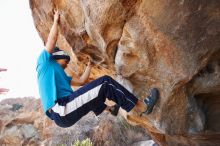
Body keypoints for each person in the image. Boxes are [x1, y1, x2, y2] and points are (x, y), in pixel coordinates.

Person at [36, 11, 159, 128]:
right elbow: (52, 39)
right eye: (66, 61)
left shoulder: (60, 76)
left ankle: (110, 109)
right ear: (56, 57)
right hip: (62, 109)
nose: (67, 65)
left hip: (64, 113)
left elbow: (81, 81)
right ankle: (143, 107)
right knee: (105, 83)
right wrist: (56, 20)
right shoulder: (44, 63)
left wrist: (89, 66)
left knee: (92, 94)